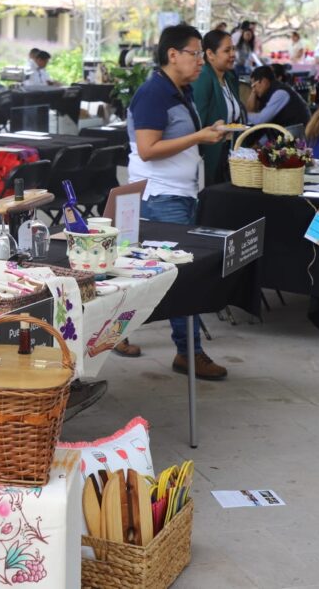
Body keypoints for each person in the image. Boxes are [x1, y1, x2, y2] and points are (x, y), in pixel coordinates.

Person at [127, 24, 229, 379]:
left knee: (156, 271)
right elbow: (148, 149)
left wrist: (206, 136)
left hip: (182, 192)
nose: (201, 61)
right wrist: (200, 136)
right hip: (161, 195)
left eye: (202, 54)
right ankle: (189, 352)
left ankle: (122, 335)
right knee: (182, 276)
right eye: (195, 53)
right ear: (173, 55)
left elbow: (178, 139)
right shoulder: (154, 93)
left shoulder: (178, 91)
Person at [193, 29, 247, 185]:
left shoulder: (229, 78)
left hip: (229, 153)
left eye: (233, 49)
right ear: (210, 54)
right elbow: (198, 120)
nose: (232, 54)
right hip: (210, 154)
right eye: (227, 50)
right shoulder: (204, 77)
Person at [246, 65, 311, 128]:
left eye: (254, 85)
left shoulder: (280, 93)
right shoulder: (266, 91)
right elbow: (251, 111)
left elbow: (260, 120)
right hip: (284, 131)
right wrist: (253, 91)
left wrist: (243, 115)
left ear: (264, 81)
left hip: (295, 133)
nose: (254, 89)